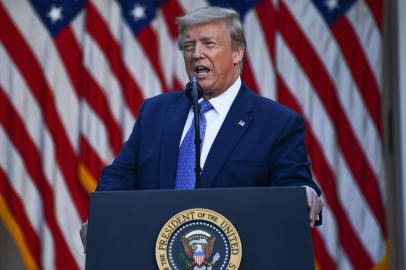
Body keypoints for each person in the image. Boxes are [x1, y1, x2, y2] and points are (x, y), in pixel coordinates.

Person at [80, 6, 323, 249]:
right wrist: (103, 214)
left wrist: (304, 194)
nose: (196, 54)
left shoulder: (276, 123)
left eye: (209, 43)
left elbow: (295, 185)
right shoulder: (155, 113)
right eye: (188, 46)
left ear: (237, 52)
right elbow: (121, 174)